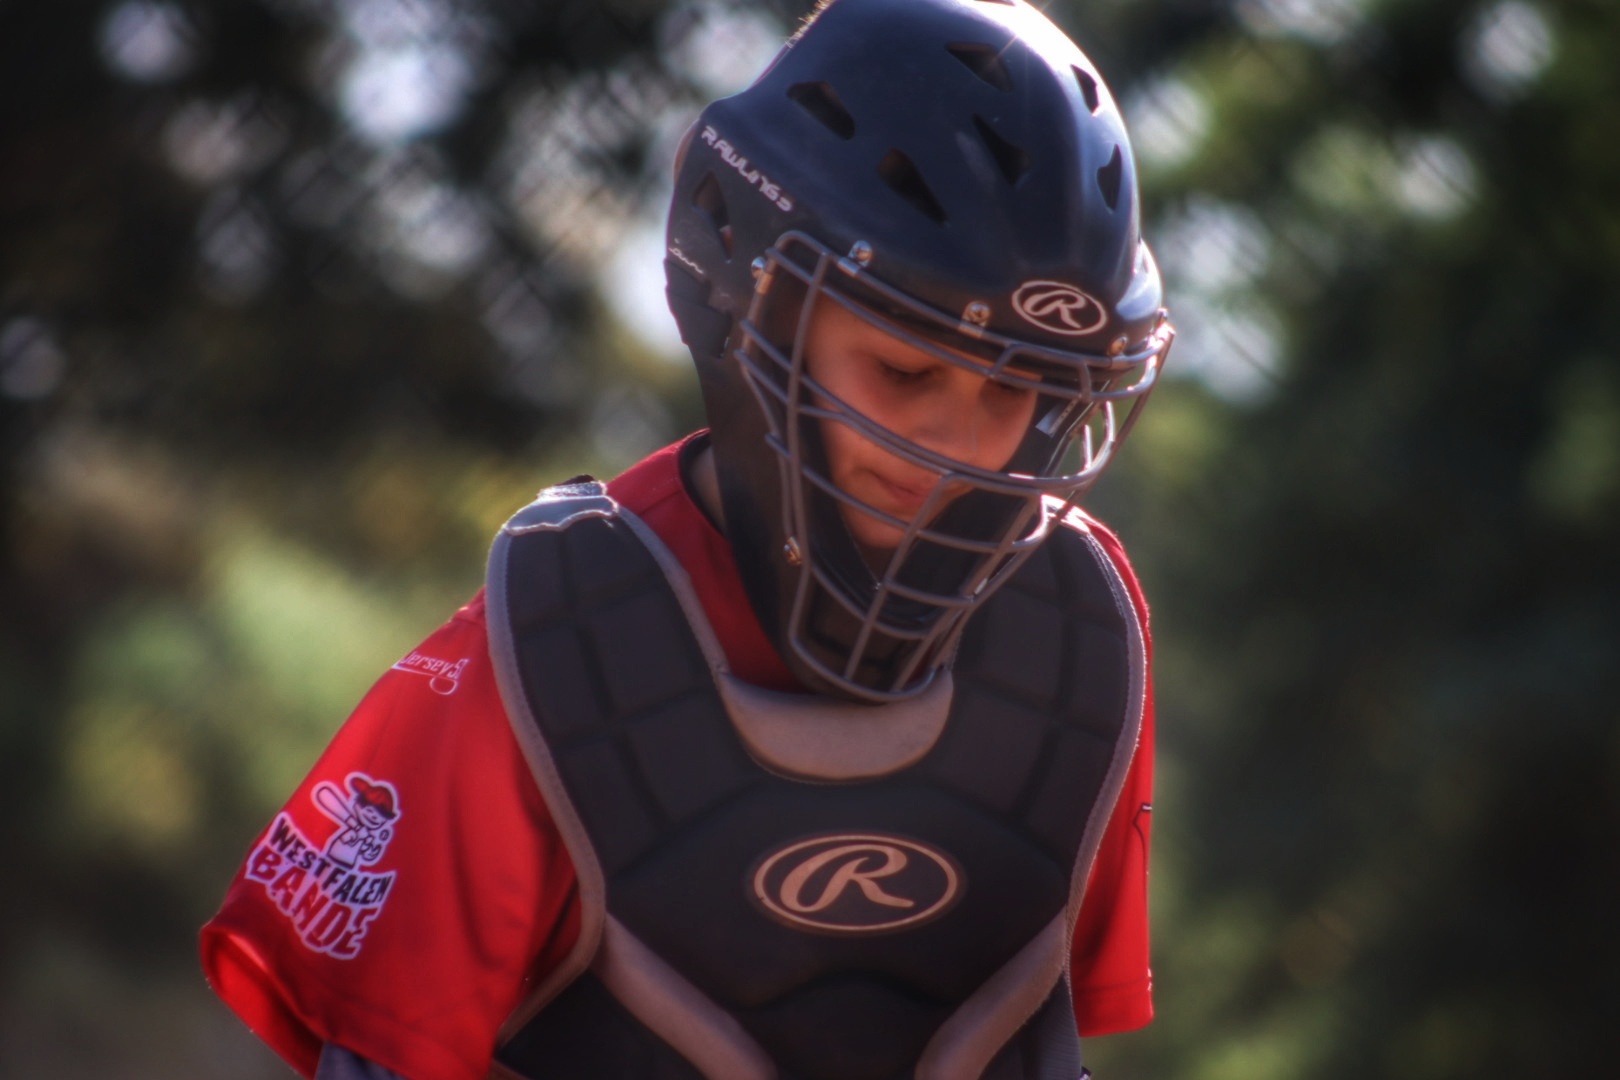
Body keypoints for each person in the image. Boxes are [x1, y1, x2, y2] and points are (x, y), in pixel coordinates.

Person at [199, 0, 1176, 1077]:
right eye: (905, 370)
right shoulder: (547, 653)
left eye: (1017, 392)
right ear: (749, 301)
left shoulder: (1076, 640)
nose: (960, 449)